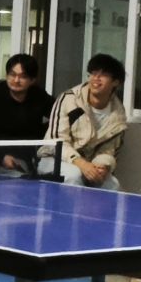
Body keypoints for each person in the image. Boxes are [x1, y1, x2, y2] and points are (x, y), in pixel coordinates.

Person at [47, 53, 127, 188]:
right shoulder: (69, 99)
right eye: (93, 73)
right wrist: (80, 163)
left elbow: (109, 150)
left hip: (89, 164)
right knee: (74, 175)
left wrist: (102, 166)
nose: (96, 78)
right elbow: (56, 142)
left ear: (116, 82)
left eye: (103, 75)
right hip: (53, 158)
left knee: (112, 184)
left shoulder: (118, 113)